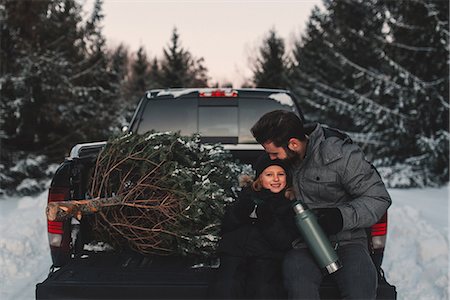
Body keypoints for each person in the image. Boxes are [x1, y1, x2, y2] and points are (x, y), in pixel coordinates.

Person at [250, 110, 392, 300]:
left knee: (361, 289)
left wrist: (340, 217)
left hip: (348, 241)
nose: (272, 159)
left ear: (293, 144)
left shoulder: (340, 156)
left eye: (275, 153)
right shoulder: (279, 165)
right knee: (299, 287)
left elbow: (378, 197)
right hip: (302, 245)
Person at [210, 153, 298, 299]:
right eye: (269, 174)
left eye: (280, 174)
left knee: (263, 289)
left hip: (266, 258)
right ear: (260, 178)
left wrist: (268, 221)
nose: (276, 179)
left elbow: (285, 241)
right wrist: (239, 213)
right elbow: (226, 227)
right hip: (236, 255)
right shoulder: (247, 196)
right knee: (228, 286)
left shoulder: (287, 205)